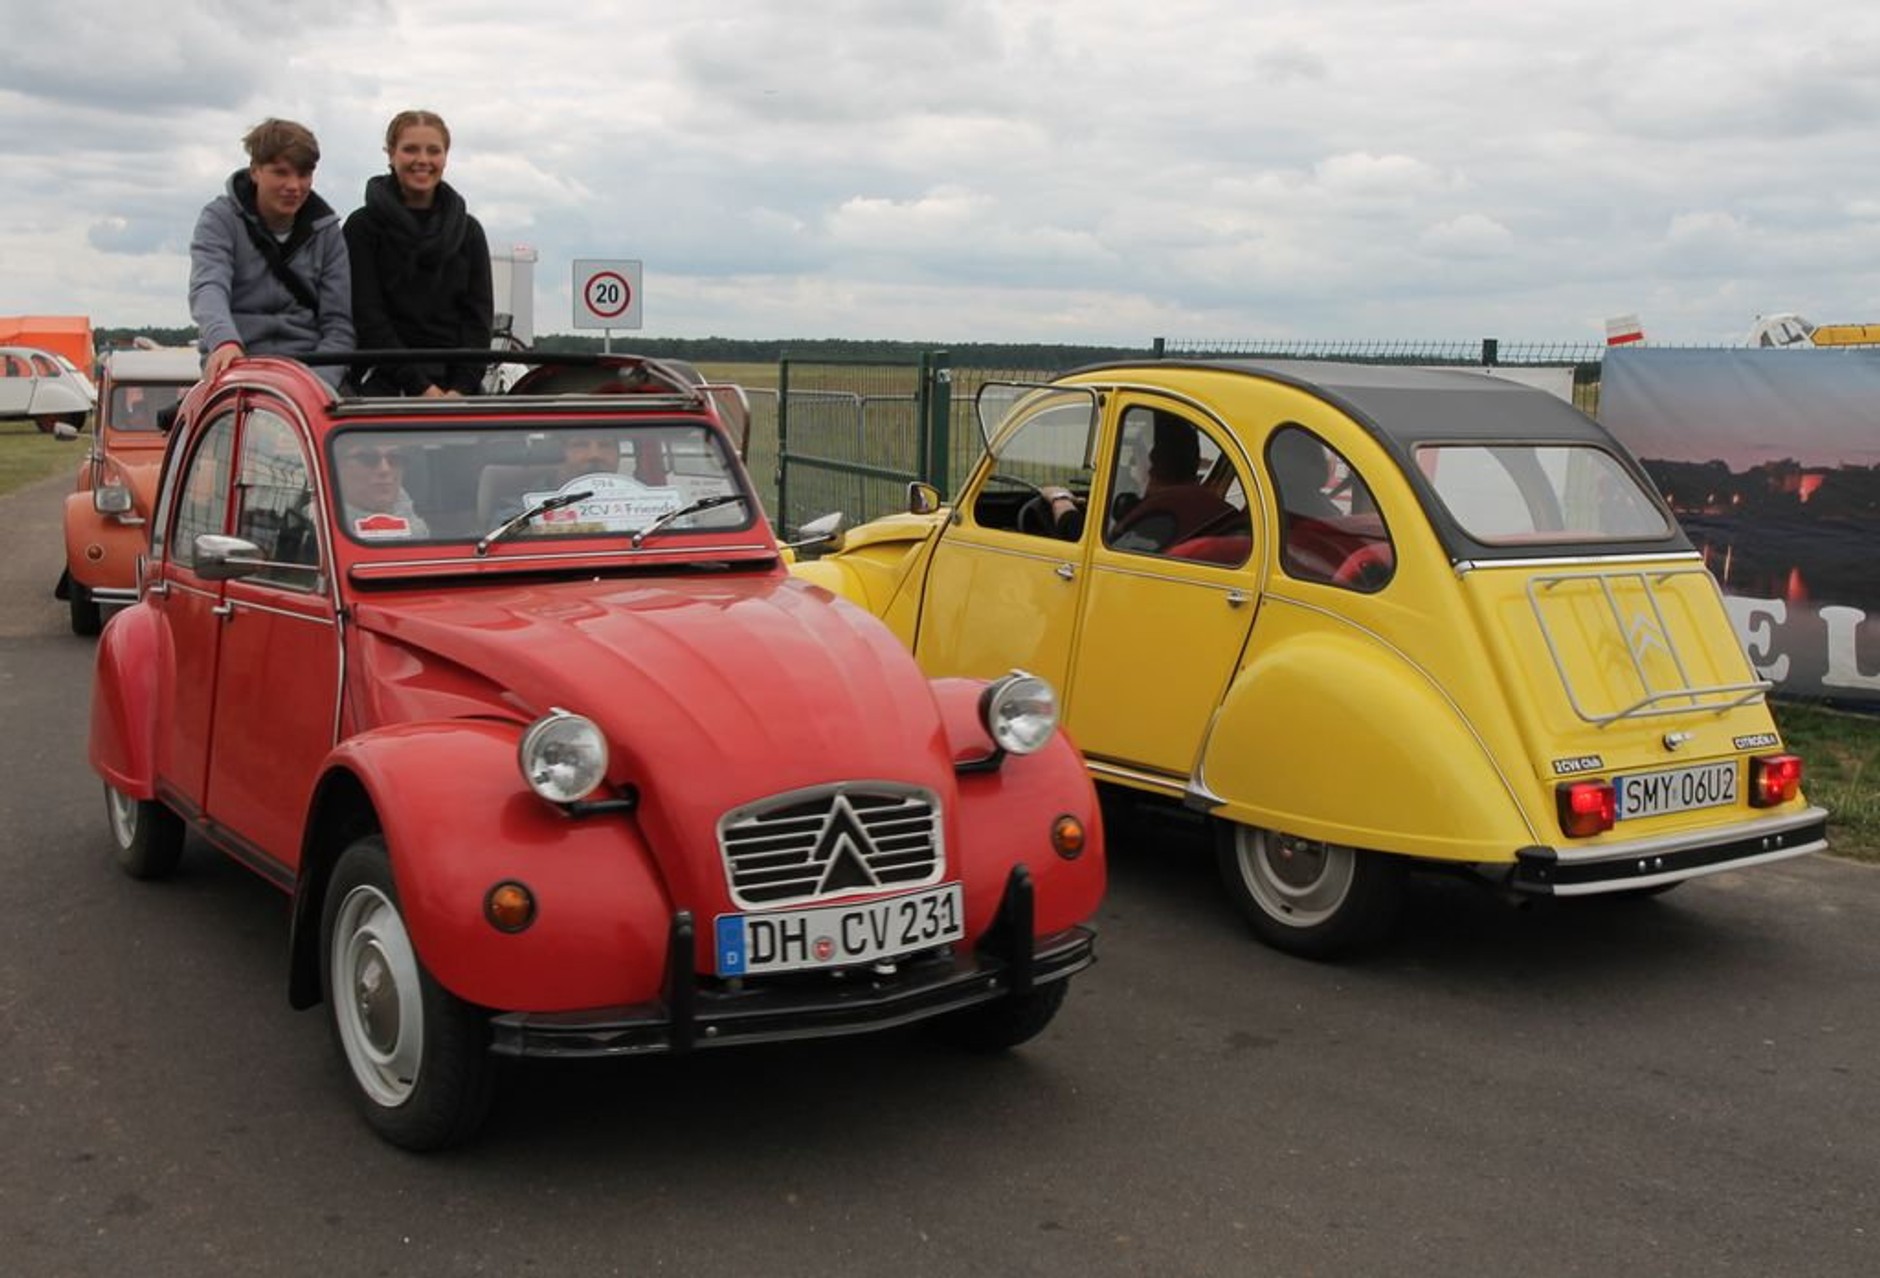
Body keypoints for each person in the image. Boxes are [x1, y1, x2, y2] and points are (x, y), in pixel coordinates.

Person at [189, 119, 354, 387]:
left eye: (303, 175)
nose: (294, 186)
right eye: (281, 173)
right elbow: (208, 287)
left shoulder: (327, 231)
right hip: (237, 367)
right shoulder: (220, 219)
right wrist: (224, 341)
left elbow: (339, 324)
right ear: (255, 171)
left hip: (310, 375)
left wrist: (316, 385)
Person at [345, 110, 494, 397]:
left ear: (445, 157)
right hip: (385, 377)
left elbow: (478, 320)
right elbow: (368, 316)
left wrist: (461, 388)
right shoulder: (362, 228)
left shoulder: (469, 231)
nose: (422, 160)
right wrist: (420, 387)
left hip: (458, 386)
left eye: (433, 151)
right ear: (390, 154)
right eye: (410, 149)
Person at [336, 439, 429, 537]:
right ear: (338, 466)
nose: (385, 469)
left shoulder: (421, 531)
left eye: (395, 458)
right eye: (367, 458)